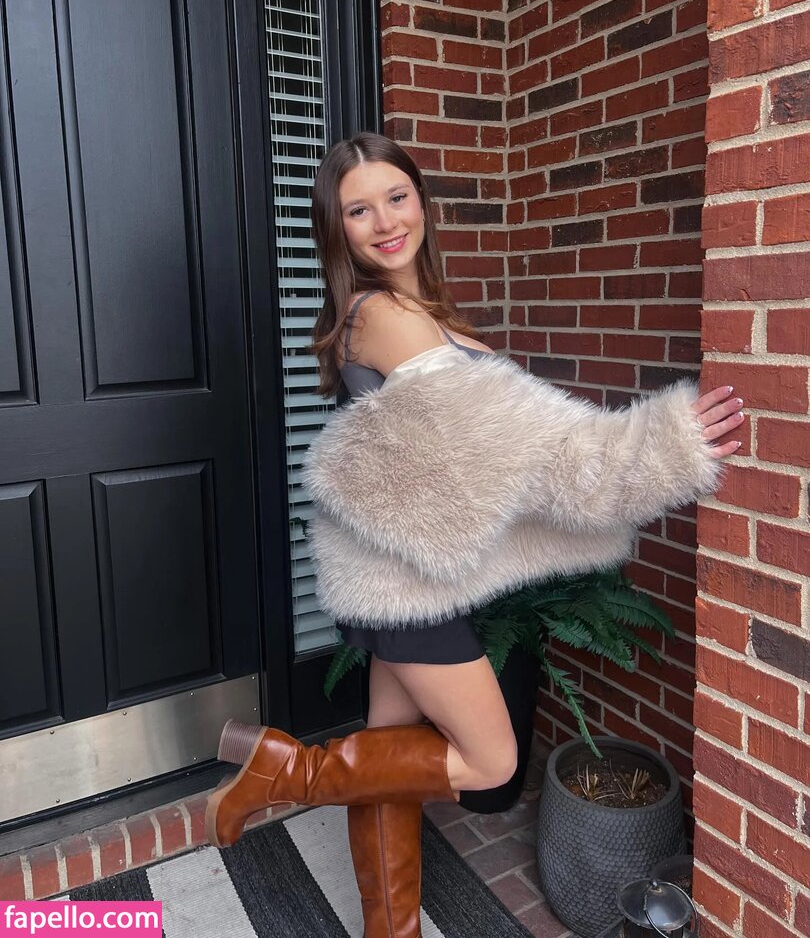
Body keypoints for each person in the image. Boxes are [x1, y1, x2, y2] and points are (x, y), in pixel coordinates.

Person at [205, 132, 745, 938]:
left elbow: (476, 451)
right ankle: (285, 768)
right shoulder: (384, 314)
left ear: (422, 200)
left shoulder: (421, 311)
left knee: (389, 758)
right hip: (409, 586)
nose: (386, 222)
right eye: (358, 210)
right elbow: (522, 445)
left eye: (396, 197)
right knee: (492, 762)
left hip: (400, 573)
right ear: (336, 228)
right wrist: (666, 447)